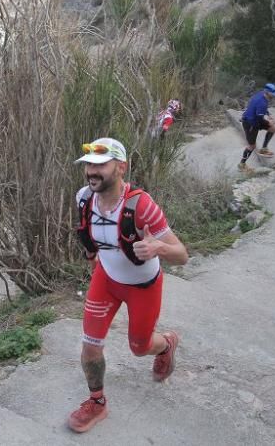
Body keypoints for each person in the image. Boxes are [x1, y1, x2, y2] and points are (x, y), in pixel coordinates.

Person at [68, 138, 189, 433]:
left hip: (143, 287)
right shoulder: (84, 198)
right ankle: (96, 402)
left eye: (101, 165)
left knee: (140, 346)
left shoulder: (142, 206)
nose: (92, 172)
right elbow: (96, 241)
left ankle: (166, 344)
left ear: (121, 167)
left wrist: (157, 248)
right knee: (89, 347)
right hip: (105, 281)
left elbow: (182, 255)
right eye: (89, 166)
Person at [239, 83, 275, 170]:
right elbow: (259, 119)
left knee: (273, 129)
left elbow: (261, 111)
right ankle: (241, 165)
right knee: (252, 146)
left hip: (255, 119)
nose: (274, 96)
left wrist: (268, 114)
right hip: (250, 123)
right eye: (272, 94)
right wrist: (269, 122)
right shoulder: (261, 102)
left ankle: (264, 149)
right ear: (267, 92)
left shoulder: (262, 94)